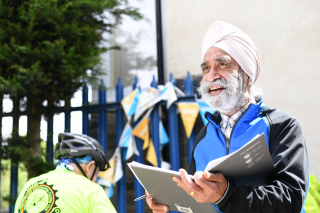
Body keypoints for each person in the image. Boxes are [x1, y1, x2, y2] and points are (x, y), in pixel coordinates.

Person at [147, 21, 309, 213]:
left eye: (222, 64)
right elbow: (195, 202)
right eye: (206, 68)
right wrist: (170, 208)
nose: (210, 76)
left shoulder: (282, 127)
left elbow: (291, 200)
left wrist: (226, 196)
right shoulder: (204, 136)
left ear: (247, 75)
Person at [14, 133, 117, 213]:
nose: (95, 180)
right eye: (96, 174)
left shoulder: (30, 185)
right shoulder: (91, 190)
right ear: (89, 167)